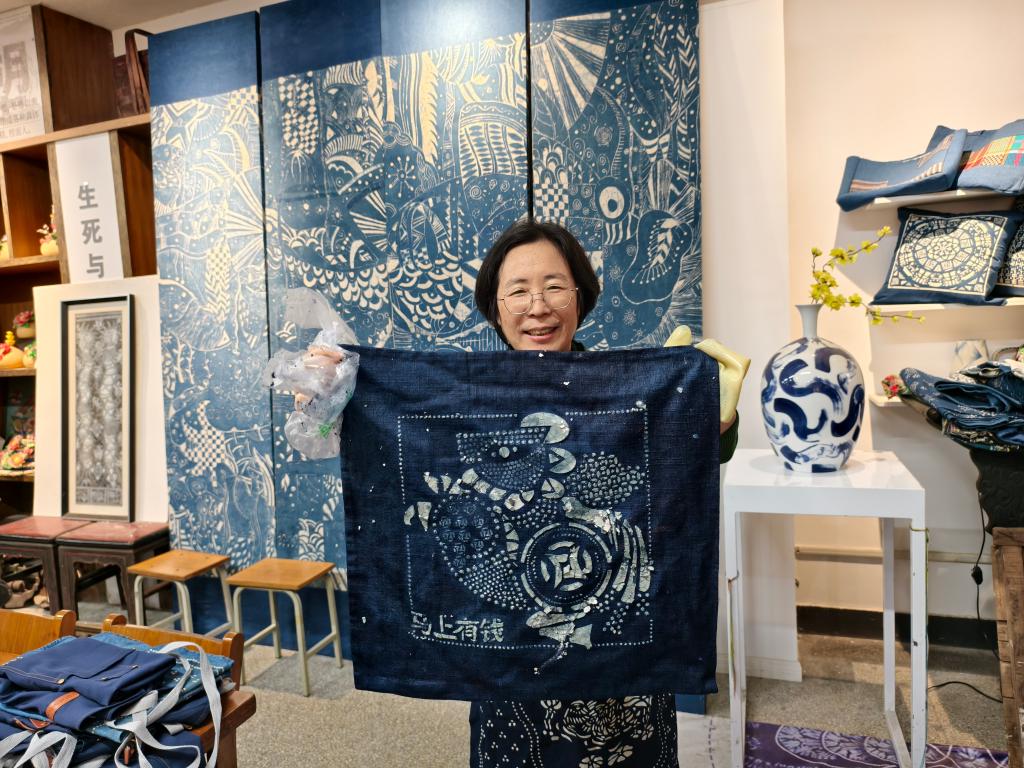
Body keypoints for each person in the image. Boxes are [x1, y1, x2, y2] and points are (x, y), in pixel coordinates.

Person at [468, 218, 740, 768]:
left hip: (617, 643)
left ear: (580, 297)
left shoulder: (624, 389)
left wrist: (714, 415)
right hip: (511, 652)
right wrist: (337, 392)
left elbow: (706, 452)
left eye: (554, 286)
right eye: (517, 291)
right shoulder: (468, 400)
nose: (537, 307)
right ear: (496, 309)